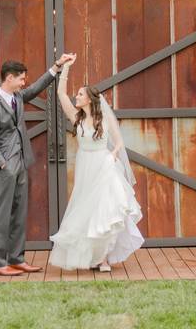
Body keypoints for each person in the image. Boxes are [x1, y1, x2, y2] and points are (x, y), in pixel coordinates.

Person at [0, 54, 75, 277]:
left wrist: (57, 66)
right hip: (6, 166)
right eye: (21, 79)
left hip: (22, 162)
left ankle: (16, 259)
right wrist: (2, 164)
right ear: (9, 78)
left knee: (19, 213)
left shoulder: (18, 97)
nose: (24, 83)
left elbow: (37, 86)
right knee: (2, 215)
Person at [48, 53, 143, 272]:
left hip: (104, 166)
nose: (76, 97)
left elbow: (119, 142)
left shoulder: (104, 119)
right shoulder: (76, 117)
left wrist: (113, 154)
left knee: (105, 210)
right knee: (86, 209)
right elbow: (61, 93)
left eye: (80, 94)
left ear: (90, 99)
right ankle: (92, 256)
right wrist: (67, 68)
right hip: (85, 166)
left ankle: (103, 259)